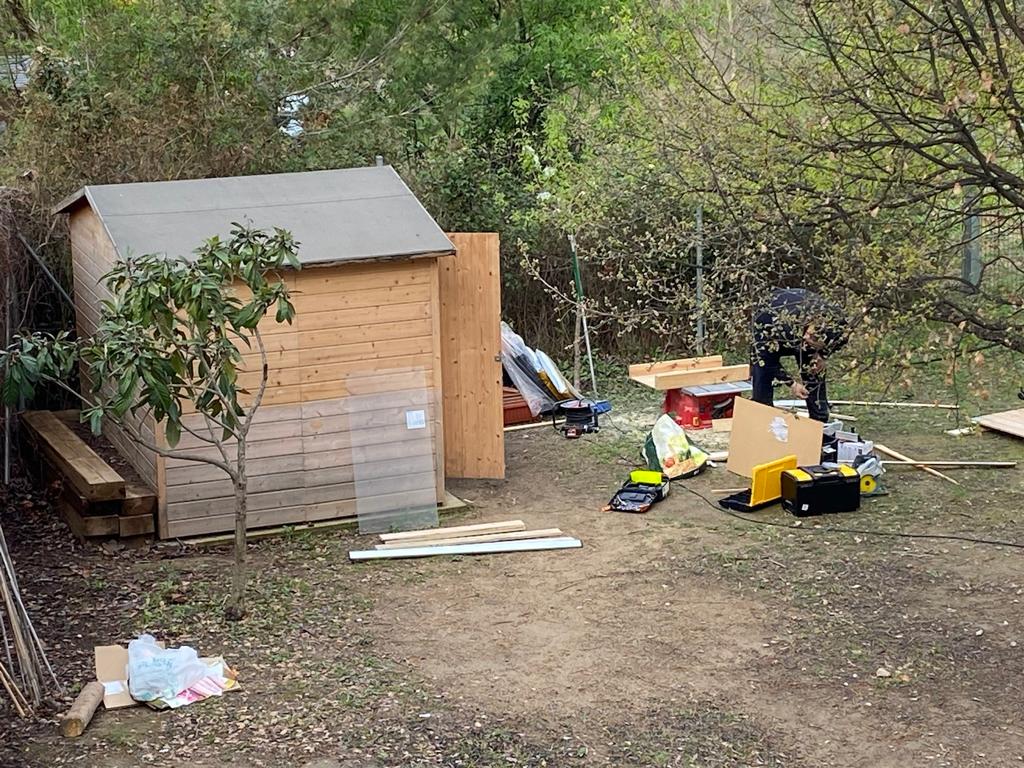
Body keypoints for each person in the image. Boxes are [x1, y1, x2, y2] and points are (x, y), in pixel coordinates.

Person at [750, 288, 849, 421]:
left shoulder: (837, 322)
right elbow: (766, 360)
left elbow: (840, 340)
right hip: (769, 323)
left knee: (814, 370)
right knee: (762, 372)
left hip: (799, 326)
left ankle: (819, 420)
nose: (806, 338)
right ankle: (763, 416)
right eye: (809, 335)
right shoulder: (780, 326)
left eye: (813, 341)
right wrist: (792, 383)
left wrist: (822, 355)